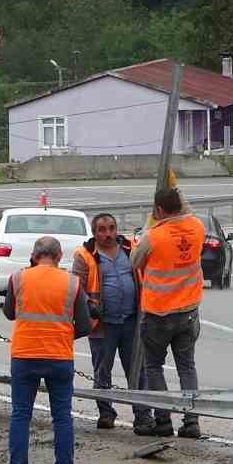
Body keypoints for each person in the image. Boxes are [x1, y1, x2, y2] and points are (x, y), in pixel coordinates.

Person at [2, 235, 92, 464]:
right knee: (62, 416)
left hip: (24, 355)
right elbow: (84, 325)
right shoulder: (72, 283)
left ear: (33, 255)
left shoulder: (18, 278)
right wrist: (61, 333)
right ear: (59, 257)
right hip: (59, 356)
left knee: (21, 414)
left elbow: (9, 312)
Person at [130, 187, 205, 439]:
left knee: (154, 367)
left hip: (158, 313)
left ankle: (163, 421)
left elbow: (134, 261)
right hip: (189, 311)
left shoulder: (153, 236)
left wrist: (148, 228)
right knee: (187, 367)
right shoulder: (197, 227)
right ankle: (191, 421)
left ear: (158, 210)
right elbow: (188, 213)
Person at [71, 213, 152, 431]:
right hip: (102, 324)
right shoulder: (84, 255)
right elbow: (76, 288)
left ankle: (143, 416)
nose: (108, 233)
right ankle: (106, 413)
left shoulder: (129, 250)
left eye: (111, 228)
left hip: (131, 322)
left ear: (117, 229)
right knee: (102, 371)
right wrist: (89, 305)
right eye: (102, 229)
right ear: (94, 232)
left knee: (137, 371)